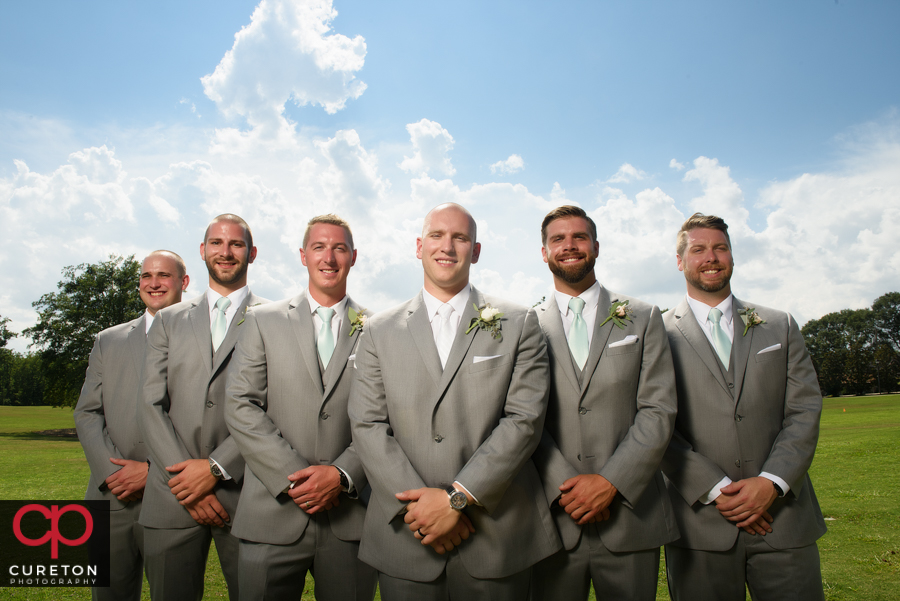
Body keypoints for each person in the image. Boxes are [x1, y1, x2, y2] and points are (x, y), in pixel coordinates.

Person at [349, 202, 560, 600]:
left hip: (497, 534)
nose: (447, 246)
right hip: (406, 536)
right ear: (419, 246)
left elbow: (524, 419)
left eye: (460, 237)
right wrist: (422, 512)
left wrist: (459, 499)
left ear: (475, 251)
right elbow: (367, 424)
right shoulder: (377, 330)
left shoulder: (519, 323)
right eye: (437, 235)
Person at [661, 213, 826, 600]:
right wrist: (717, 490)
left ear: (732, 256)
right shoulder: (657, 333)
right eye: (698, 249)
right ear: (681, 261)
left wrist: (772, 482)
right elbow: (655, 423)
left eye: (720, 248)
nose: (711, 257)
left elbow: (804, 409)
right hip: (699, 525)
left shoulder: (778, 325)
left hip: (784, 520)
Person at [530, 205, 679, 600]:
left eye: (579, 237)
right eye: (557, 239)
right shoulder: (523, 326)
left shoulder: (644, 318)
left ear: (595, 247)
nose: (569, 246)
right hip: (551, 516)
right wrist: (566, 488)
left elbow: (658, 409)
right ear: (543, 252)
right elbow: (521, 418)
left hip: (631, 516)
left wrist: (611, 482)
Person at [225, 214, 377, 601]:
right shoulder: (262, 321)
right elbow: (242, 405)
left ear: (353, 257)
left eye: (339, 248)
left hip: (352, 518)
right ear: (303, 256)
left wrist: (342, 474)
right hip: (271, 513)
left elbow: (390, 416)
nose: (329, 257)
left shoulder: (381, 328)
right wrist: (298, 479)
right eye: (319, 247)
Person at [139, 214, 267, 601]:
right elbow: (150, 404)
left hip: (245, 494)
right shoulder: (168, 320)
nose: (225, 252)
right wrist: (186, 483)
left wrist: (216, 469)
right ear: (202, 251)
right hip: (170, 496)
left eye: (236, 244)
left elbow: (274, 407)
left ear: (252, 253)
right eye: (216, 243)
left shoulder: (277, 320)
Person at [74, 250, 189, 601]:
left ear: (183, 282)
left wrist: (154, 473)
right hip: (110, 498)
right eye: (146, 276)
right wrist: (113, 473)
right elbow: (87, 412)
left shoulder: (205, 342)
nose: (153, 283)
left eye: (164, 275)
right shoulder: (108, 340)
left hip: (172, 499)